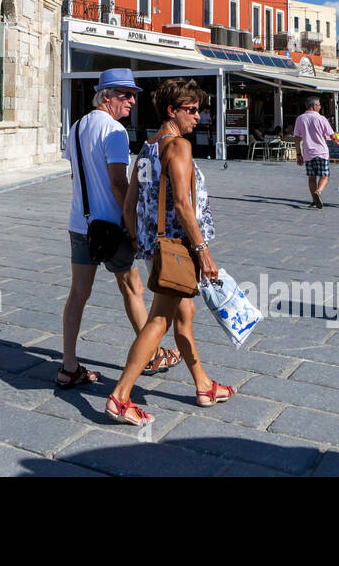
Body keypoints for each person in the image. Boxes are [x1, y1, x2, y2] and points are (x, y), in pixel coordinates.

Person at [106, 79, 234, 425]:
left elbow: (130, 203)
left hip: (158, 250)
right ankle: (120, 397)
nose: (198, 117)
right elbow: (182, 203)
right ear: (171, 111)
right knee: (160, 320)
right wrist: (202, 252)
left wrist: (139, 242)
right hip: (179, 250)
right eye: (191, 110)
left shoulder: (147, 146)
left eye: (199, 110)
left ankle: (204, 385)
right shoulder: (178, 147)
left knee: (184, 316)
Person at [61, 69, 174, 389]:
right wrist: (133, 226)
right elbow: (117, 182)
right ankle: (150, 353)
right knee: (133, 289)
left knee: (78, 295)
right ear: (105, 96)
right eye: (125, 94)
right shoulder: (114, 132)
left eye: (133, 95)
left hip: (80, 223)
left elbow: (75, 176)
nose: (132, 100)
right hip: (110, 226)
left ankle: (68, 365)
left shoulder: (77, 126)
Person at [294, 96, 339, 208]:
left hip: (308, 153)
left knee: (312, 177)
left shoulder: (300, 119)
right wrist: (336, 142)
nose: (320, 107)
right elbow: (332, 135)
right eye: (319, 105)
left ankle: (314, 201)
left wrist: (299, 154)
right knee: (325, 176)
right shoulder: (321, 119)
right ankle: (318, 192)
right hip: (322, 152)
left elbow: (297, 137)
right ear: (314, 106)